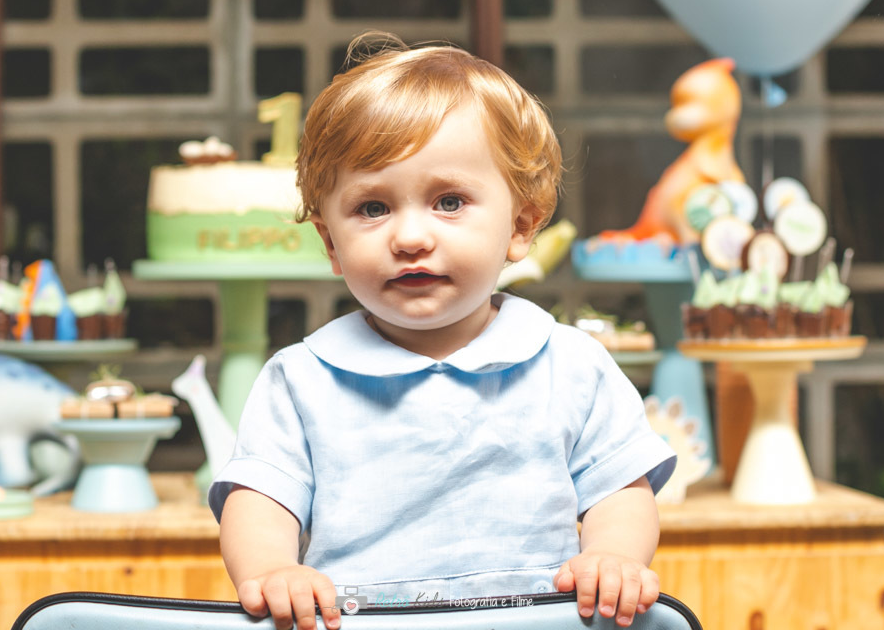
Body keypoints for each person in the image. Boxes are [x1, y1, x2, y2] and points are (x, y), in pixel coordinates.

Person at [210, 34, 676, 630]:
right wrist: (273, 568)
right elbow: (259, 500)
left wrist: (612, 556)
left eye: (449, 202)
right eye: (373, 208)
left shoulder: (571, 364)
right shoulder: (301, 379)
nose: (410, 237)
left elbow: (620, 490)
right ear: (330, 242)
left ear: (520, 226)